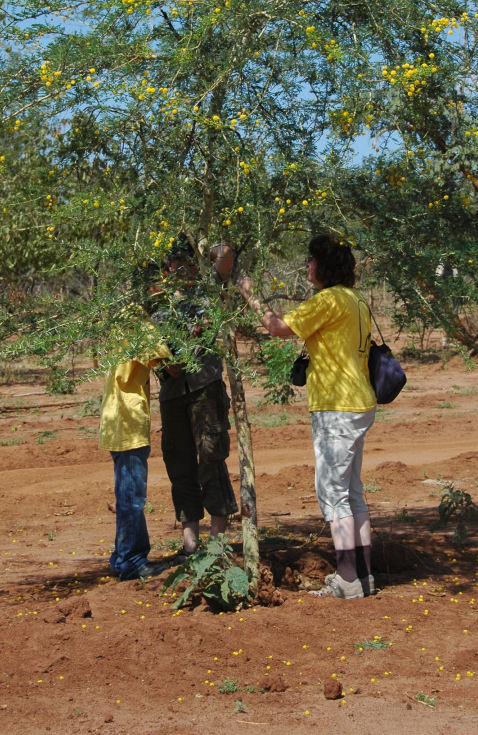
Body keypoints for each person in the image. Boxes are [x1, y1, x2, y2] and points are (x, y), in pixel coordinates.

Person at [238, 234, 377, 600]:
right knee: (352, 492)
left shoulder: (329, 299)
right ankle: (363, 576)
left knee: (333, 494)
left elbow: (278, 328)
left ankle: (347, 579)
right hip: (359, 402)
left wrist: (249, 294)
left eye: (312, 260)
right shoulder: (355, 300)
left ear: (325, 266)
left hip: (337, 406)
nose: (307, 266)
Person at [157, 238, 238, 556]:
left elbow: (226, 255)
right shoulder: (159, 304)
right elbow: (163, 358)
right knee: (179, 465)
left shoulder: (206, 290)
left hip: (205, 388)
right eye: (168, 264)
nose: (173, 269)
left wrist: (202, 243)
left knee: (211, 459)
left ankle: (217, 543)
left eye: (178, 262)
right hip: (172, 392)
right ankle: (190, 544)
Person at [98, 316, 171, 581]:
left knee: (127, 493)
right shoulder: (142, 325)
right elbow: (171, 366)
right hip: (128, 421)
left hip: (115, 419)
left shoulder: (120, 321)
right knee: (132, 496)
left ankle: (122, 557)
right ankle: (132, 561)